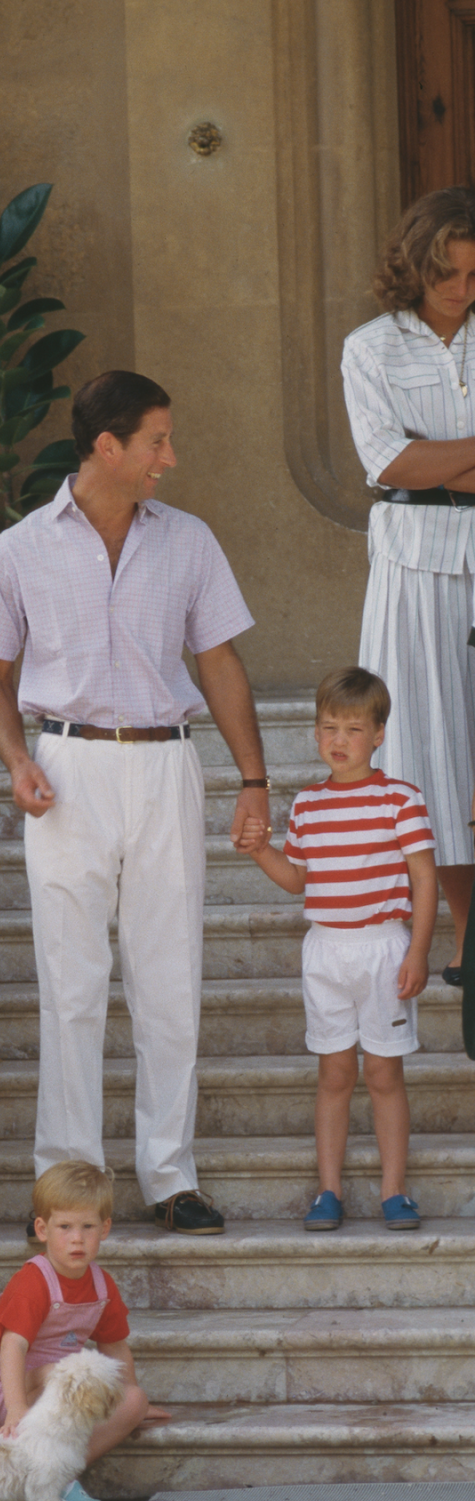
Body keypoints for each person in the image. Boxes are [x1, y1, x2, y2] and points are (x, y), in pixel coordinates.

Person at [0, 370, 271, 1236]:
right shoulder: (20, 547)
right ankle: (68, 1182)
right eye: (157, 442)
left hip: (165, 764)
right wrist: (16, 756)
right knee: (71, 981)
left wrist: (253, 779)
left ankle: (170, 1174)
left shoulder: (189, 541)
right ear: (109, 446)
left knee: (170, 975)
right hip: (65, 770)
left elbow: (218, 662)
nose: (169, 458)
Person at [237, 667, 437, 1231]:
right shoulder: (307, 805)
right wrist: (260, 850)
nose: (339, 740)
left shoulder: (401, 799)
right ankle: (329, 1190)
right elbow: (298, 880)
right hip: (326, 952)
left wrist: (418, 951)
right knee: (333, 1075)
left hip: (382, 949)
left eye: (353, 728)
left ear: (378, 734)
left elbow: (423, 879)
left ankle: (394, 1191)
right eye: (328, 727)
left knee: (383, 1075)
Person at [341, 184, 475, 985]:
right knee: (425, 747)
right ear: (414, 270)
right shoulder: (370, 348)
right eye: (447, 276)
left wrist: (443, 450)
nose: (462, 291)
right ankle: (464, 927)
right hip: (411, 561)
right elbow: (388, 463)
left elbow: (422, 455)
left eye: (473, 275)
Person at [0, 1160, 170, 1501]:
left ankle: (58, 1468)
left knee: (132, 1398)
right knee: (60, 1372)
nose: (77, 1238)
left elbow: (114, 1346)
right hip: (15, 1388)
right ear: (42, 1229)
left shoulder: (101, 1284)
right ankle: (52, 1475)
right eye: (64, 1226)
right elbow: (12, 1346)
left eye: (88, 1226)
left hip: (65, 1391)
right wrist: (16, 1409)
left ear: (106, 1229)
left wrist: (128, 1400)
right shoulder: (33, 1282)